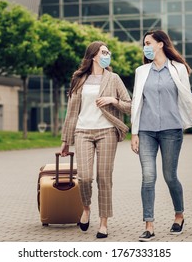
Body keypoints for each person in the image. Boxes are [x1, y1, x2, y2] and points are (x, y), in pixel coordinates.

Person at [130, 30, 192, 242]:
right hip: (146, 131)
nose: (145, 47)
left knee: (170, 176)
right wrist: (134, 133)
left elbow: (188, 102)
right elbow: (137, 103)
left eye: (148, 43)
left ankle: (179, 215)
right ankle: (149, 224)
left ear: (160, 44)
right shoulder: (141, 71)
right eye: (144, 44)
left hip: (171, 131)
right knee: (148, 177)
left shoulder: (178, 69)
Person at [60, 41, 131, 239]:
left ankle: (103, 222)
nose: (108, 54)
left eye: (108, 52)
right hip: (82, 131)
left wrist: (112, 101)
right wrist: (66, 140)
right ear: (93, 56)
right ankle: (86, 208)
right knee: (84, 177)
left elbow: (130, 105)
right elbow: (71, 112)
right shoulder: (79, 78)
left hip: (106, 131)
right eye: (104, 52)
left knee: (103, 178)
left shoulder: (113, 78)